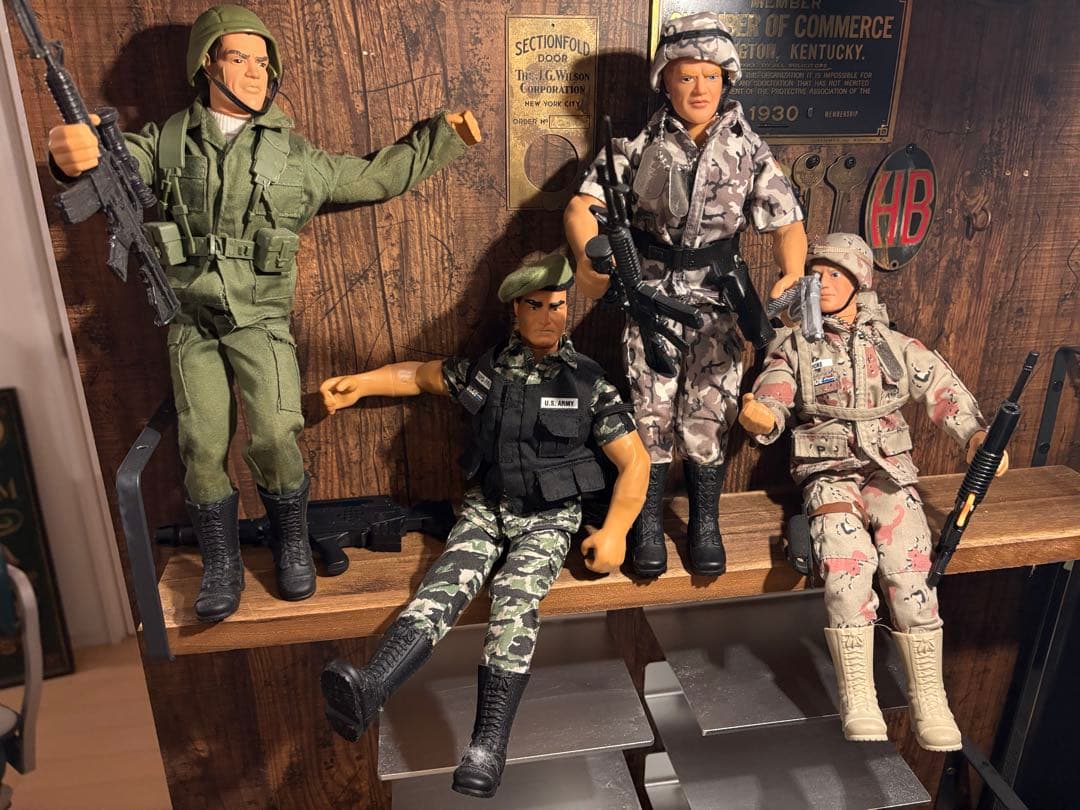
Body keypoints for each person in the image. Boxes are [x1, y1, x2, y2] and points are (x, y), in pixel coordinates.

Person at [46, 5, 480, 620]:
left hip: (261, 320)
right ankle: (221, 561)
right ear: (207, 65)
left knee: (276, 432)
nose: (255, 71)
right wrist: (76, 149)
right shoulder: (167, 142)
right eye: (238, 57)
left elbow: (374, 178)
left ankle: (291, 540)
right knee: (201, 444)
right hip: (189, 317)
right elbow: (114, 165)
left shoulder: (294, 156)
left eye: (262, 60)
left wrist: (444, 137)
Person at [318, 254, 649, 797]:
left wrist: (614, 531)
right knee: (440, 588)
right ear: (515, 309)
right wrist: (362, 382)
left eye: (559, 305)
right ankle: (373, 687)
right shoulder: (487, 370)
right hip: (487, 508)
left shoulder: (588, 382)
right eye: (536, 306)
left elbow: (635, 461)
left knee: (515, 600)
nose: (549, 317)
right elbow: (419, 376)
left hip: (549, 517)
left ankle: (488, 746)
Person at [738, 233, 1008, 751]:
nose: (822, 282)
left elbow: (940, 386)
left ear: (859, 281)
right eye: (816, 273)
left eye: (835, 273)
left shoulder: (892, 343)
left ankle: (930, 696)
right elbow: (776, 386)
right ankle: (859, 695)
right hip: (829, 472)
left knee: (911, 571)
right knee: (847, 568)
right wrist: (764, 413)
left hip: (889, 470)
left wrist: (974, 436)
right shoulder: (798, 344)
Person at [564, 11, 807, 578]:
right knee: (649, 410)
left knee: (710, 411)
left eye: (711, 76)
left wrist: (792, 272)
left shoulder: (748, 149)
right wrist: (589, 258)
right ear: (666, 81)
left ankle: (704, 522)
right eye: (687, 76)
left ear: (726, 80)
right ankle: (647, 522)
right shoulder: (638, 146)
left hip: (718, 304)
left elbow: (787, 220)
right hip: (650, 299)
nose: (700, 88)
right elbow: (583, 205)